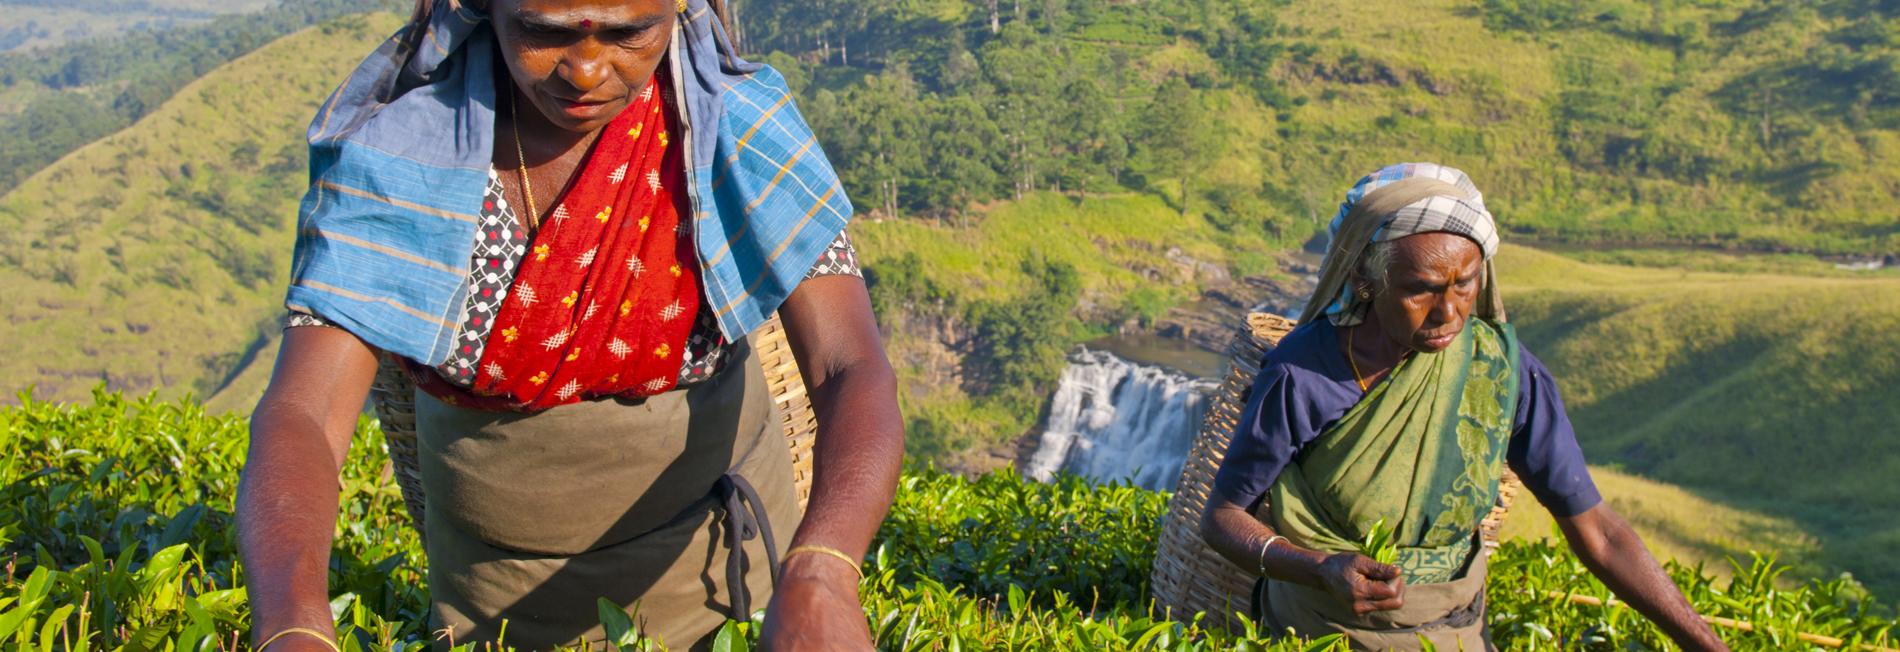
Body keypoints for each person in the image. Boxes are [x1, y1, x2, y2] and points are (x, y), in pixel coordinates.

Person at [235, 0, 902, 649]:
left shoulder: (733, 128)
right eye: (541, 31)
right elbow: (304, 412)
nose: (585, 70)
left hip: (726, 579)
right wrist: (293, 624)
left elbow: (850, 365)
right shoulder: (400, 159)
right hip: (488, 606)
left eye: (628, 32)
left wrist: (823, 569)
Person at [1199, 163, 1727, 651]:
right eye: (1420, 290)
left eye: (1465, 284)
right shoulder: (1304, 375)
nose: (1447, 313)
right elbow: (1223, 517)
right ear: (1366, 281)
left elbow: (1599, 532)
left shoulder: (1502, 372)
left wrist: (1706, 646)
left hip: (1456, 631)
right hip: (1322, 627)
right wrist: (1317, 568)